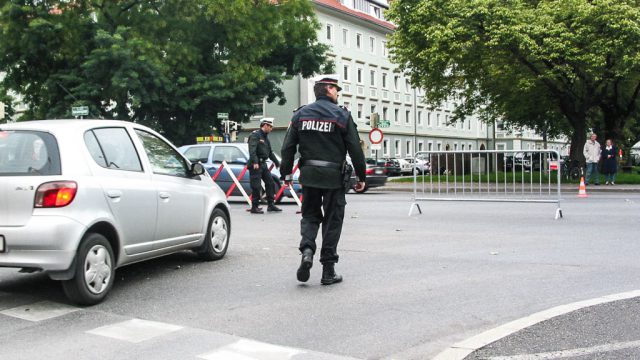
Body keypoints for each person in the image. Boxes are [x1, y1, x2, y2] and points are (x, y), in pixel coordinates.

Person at [280, 76, 366, 285]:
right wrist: (361, 176)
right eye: (336, 89)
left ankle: (307, 250)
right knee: (332, 221)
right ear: (328, 89)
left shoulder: (300, 114)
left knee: (309, 216)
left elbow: (288, 146)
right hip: (333, 178)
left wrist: (286, 174)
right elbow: (355, 148)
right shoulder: (341, 115)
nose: (337, 93)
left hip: (309, 176)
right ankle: (328, 270)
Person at [247, 118, 282, 214]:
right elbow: (252, 150)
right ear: (265, 125)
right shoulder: (255, 135)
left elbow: (270, 152)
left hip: (263, 164)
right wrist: (255, 162)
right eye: (270, 126)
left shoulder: (265, 137)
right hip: (256, 164)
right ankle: (254, 207)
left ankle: (271, 205)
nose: (271, 128)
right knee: (256, 186)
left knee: (270, 183)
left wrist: (277, 163)